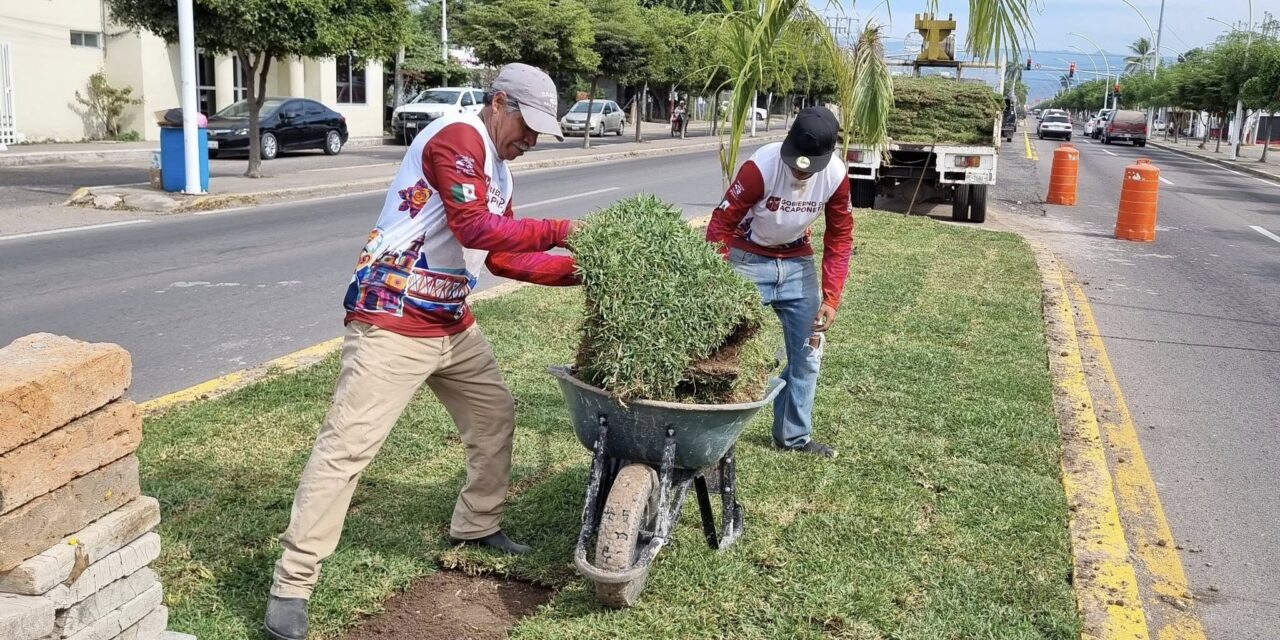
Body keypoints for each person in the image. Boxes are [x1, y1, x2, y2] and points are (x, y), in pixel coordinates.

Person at [264, 63, 579, 640]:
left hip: (450, 323)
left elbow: (504, 258)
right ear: (498, 102)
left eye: (540, 130)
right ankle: (292, 582)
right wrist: (561, 230)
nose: (531, 139)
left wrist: (583, 271)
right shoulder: (458, 137)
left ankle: (477, 526)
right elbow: (476, 229)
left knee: (494, 416)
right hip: (392, 317)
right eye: (527, 124)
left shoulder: (500, 172)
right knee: (347, 447)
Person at [705, 106, 854, 459]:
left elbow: (841, 236)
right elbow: (721, 224)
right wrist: (715, 279)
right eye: (795, 163)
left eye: (809, 167)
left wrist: (831, 298)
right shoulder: (761, 167)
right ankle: (710, 446)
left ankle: (793, 437)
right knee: (721, 352)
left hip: (797, 263)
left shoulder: (835, 175)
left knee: (809, 352)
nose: (800, 173)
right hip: (747, 260)